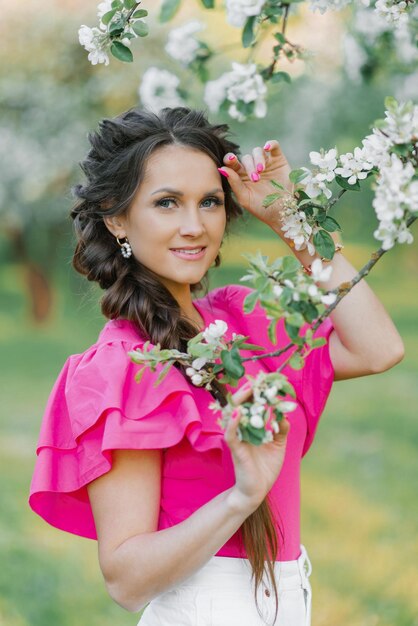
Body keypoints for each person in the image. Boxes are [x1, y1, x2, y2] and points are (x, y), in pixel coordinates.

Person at [28, 106, 405, 626]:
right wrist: (241, 498)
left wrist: (289, 217)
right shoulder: (124, 367)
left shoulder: (243, 322)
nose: (194, 225)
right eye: (166, 203)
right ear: (116, 217)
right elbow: (127, 580)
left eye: (209, 201)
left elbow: (378, 347)